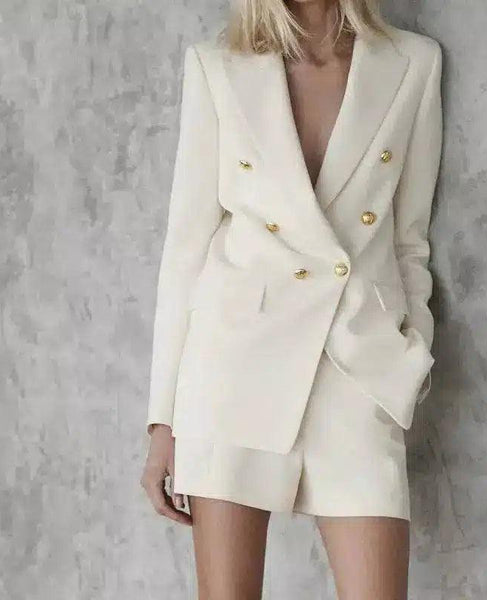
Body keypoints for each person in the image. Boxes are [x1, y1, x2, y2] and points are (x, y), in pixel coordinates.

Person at [141, 0, 443, 597]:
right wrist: (162, 422)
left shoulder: (413, 62)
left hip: (356, 363)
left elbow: (410, 243)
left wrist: (407, 360)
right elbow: (186, 250)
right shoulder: (217, 66)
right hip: (235, 366)